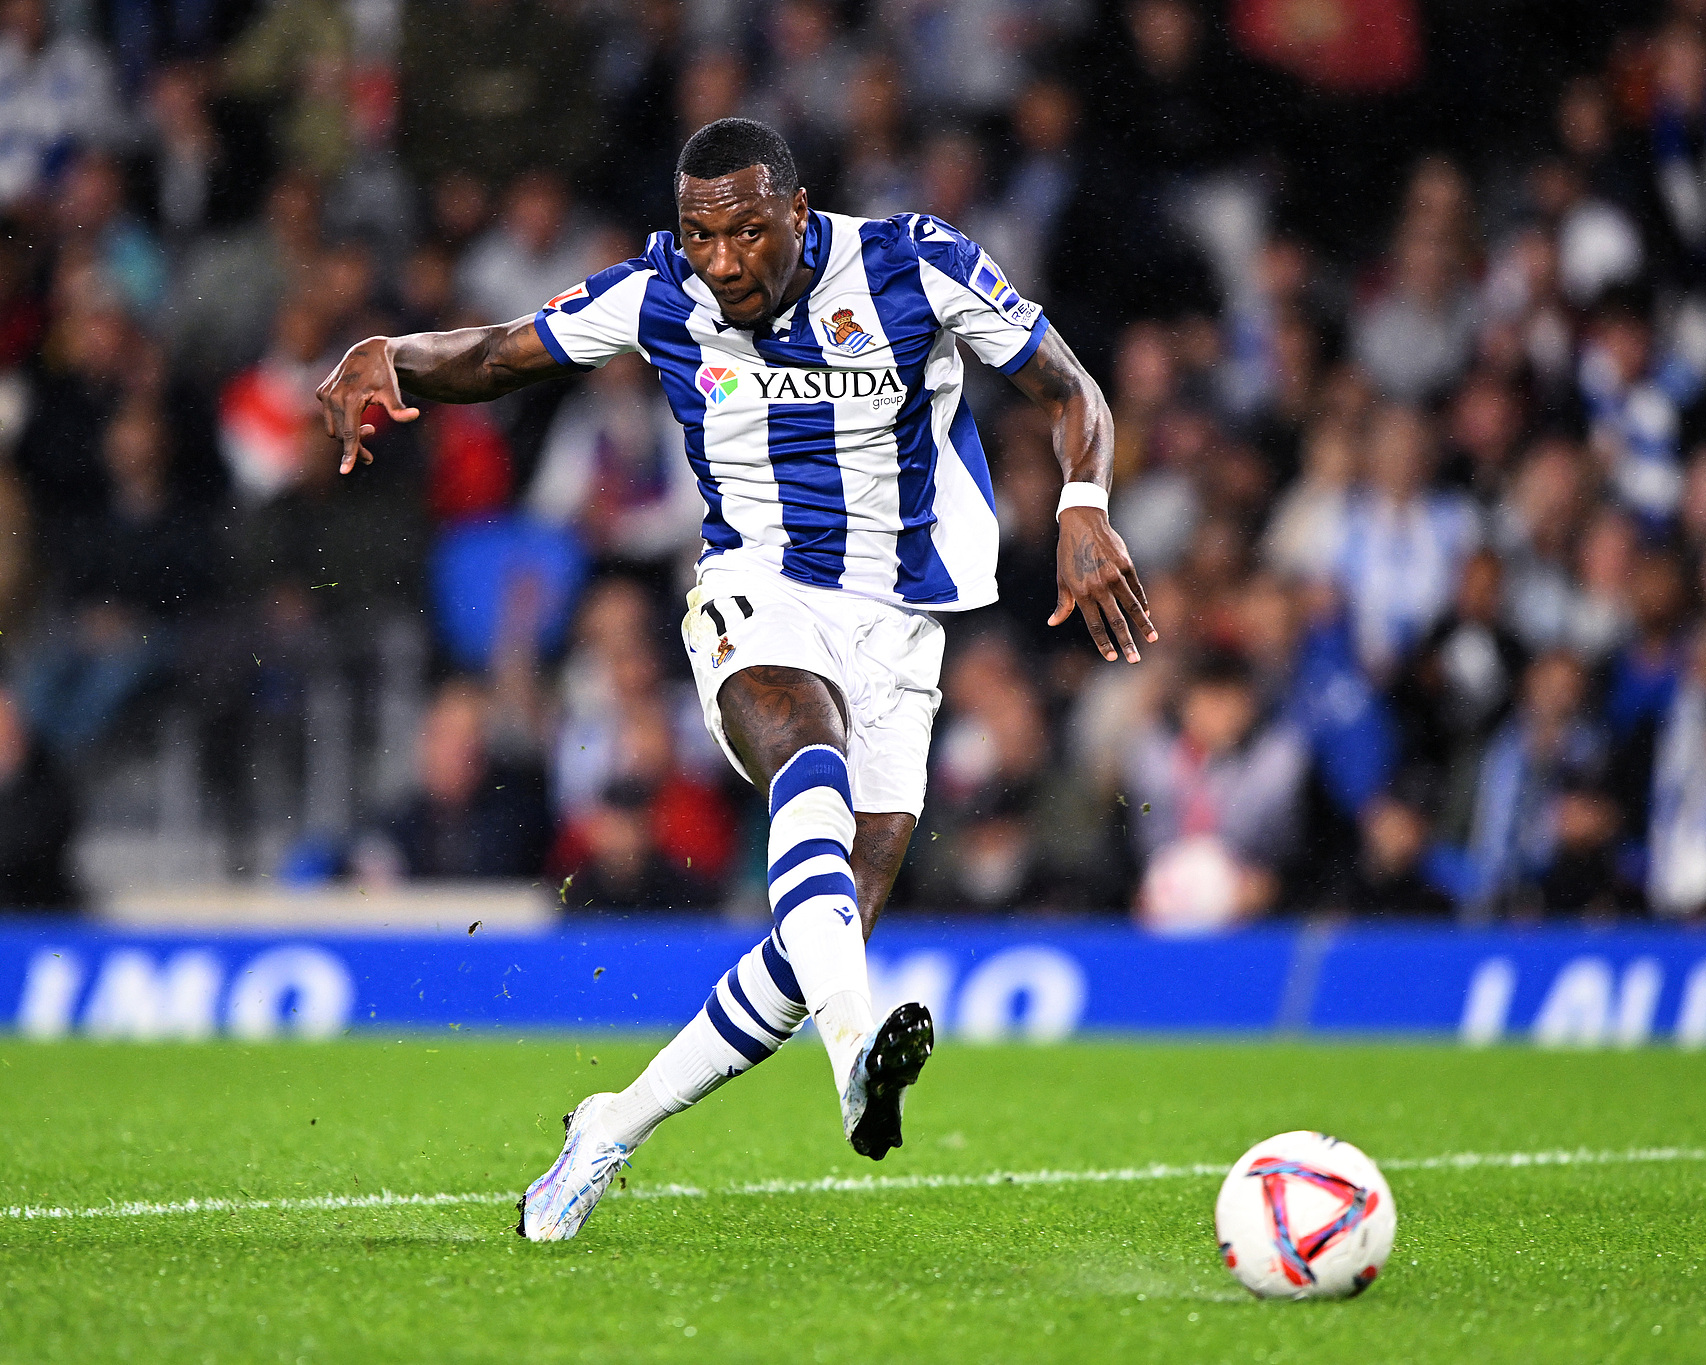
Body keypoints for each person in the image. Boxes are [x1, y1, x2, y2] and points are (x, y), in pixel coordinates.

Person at [316, 118, 1152, 1240]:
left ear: (799, 215)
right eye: (698, 234)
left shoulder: (915, 264)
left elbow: (1071, 392)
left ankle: (607, 1129)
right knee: (802, 746)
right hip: (753, 591)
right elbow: (506, 351)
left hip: (905, 627)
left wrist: (1083, 506)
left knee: (823, 941)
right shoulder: (659, 293)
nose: (720, 260)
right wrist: (395, 351)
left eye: (747, 232)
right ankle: (856, 1059)